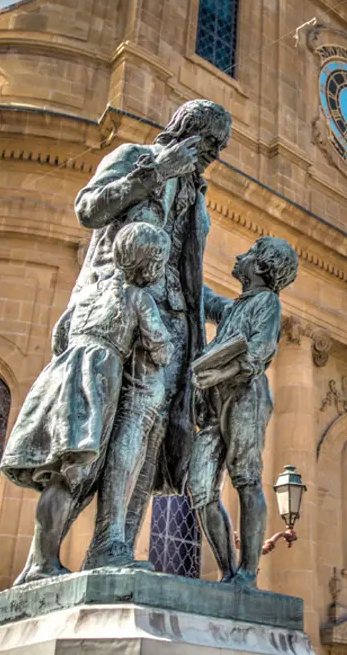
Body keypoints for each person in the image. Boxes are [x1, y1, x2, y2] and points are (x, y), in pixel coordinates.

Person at [65, 100, 232, 570]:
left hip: (176, 322)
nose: (214, 155)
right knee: (115, 428)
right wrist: (154, 171)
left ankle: (114, 545)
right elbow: (88, 208)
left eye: (220, 147)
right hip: (124, 309)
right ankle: (100, 540)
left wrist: (224, 308)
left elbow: (187, 270)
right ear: (185, 130)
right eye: (210, 142)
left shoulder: (197, 196)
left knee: (153, 436)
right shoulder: (134, 156)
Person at [0, 222, 172, 584]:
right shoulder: (136, 297)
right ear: (147, 262)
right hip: (100, 378)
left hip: (63, 373)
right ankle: (46, 562)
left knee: (61, 473)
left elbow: (59, 334)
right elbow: (161, 346)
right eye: (158, 259)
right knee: (79, 467)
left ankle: (40, 562)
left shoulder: (88, 292)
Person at [187, 237, 299, 587]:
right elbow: (207, 300)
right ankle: (228, 572)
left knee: (246, 479)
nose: (239, 255)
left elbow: (259, 352)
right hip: (214, 404)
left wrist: (213, 371)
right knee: (201, 488)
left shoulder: (267, 303)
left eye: (249, 254)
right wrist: (182, 261)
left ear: (261, 267)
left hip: (245, 398)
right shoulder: (237, 306)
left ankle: (247, 575)